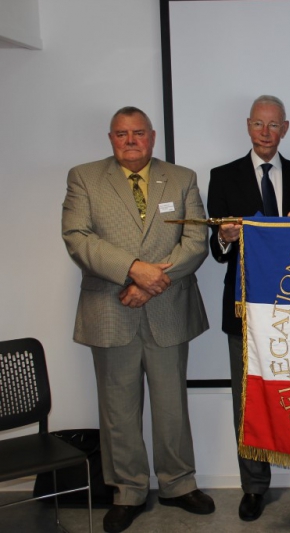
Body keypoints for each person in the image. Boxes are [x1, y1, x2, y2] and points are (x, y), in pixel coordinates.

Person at [62, 107, 214, 533]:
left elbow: (196, 240)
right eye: (121, 134)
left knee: (172, 407)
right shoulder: (84, 177)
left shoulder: (182, 178)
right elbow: (77, 238)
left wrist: (149, 281)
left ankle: (179, 484)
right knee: (118, 410)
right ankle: (127, 491)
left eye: (139, 133)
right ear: (110, 138)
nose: (131, 141)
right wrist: (133, 268)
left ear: (152, 136)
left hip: (167, 309)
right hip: (110, 310)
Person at [206, 95, 290, 522]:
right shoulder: (223, 177)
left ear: (285, 128)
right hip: (243, 308)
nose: (266, 132)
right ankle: (254, 486)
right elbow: (216, 251)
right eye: (259, 124)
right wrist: (227, 238)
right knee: (248, 400)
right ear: (248, 126)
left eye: (274, 125)